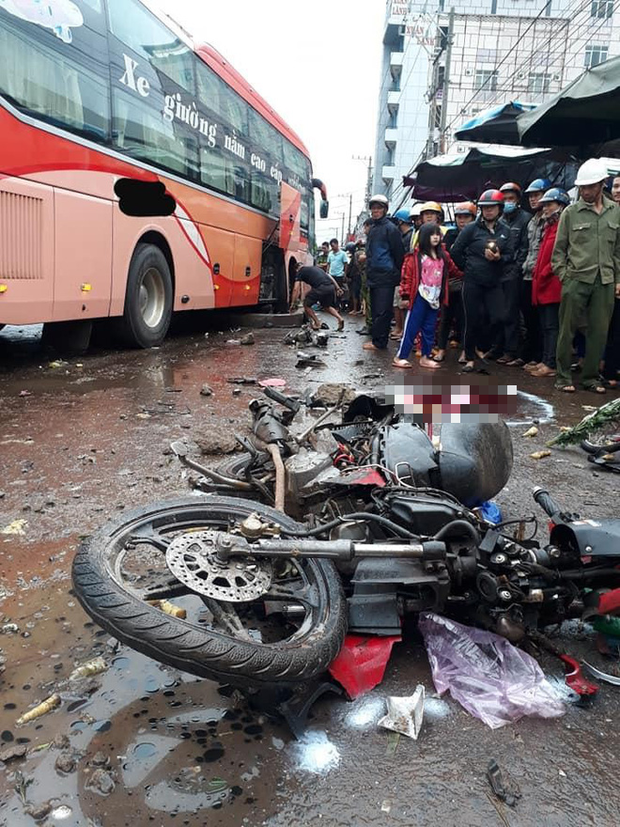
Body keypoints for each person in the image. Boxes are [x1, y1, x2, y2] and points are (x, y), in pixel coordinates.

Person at [552, 158, 620, 394]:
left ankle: (590, 378)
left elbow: (618, 251)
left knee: (599, 331)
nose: (585, 191)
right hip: (576, 279)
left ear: (603, 184)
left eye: (590, 186)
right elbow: (558, 251)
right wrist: (565, 277)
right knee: (567, 330)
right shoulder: (570, 213)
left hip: (605, 281)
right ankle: (562, 377)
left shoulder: (616, 212)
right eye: (582, 187)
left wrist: (617, 279)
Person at [449, 189, 513, 373]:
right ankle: (469, 357)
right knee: (472, 319)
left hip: (494, 282)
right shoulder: (471, 229)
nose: (488, 211)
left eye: (492, 208)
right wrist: (467, 268)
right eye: (485, 208)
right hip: (472, 281)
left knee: (499, 317)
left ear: (499, 209)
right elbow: (455, 251)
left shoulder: (505, 231)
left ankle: (482, 347)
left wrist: (499, 258)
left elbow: (511, 255)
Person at [394, 223, 461, 369]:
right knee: (411, 327)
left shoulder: (444, 256)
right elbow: (406, 276)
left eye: (438, 234)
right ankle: (401, 356)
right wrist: (405, 296)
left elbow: (454, 270)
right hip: (418, 296)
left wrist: (467, 275)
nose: (436, 237)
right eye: (432, 234)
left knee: (430, 329)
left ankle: (425, 356)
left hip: (435, 297)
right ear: (424, 237)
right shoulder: (415, 257)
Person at [530, 188, 571, 377]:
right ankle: (545, 360)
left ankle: (551, 363)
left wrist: (546, 272)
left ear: (560, 206)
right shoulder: (548, 226)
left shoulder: (564, 225)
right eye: (544, 204)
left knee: (552, 325)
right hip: (543, 283)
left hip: (554, 284)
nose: (545, 208)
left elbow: (561, 255)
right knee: (546, 325)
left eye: (549, 204)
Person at [492, 182, 532, 366]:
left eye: (511, 199)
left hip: (514, 273)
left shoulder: (525, 219)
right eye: (504, 199)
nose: (508, 202)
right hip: (497, 272)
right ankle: (497, 347)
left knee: (511, 314)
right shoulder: (499, 221)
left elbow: (525, 247)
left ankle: (511, 350)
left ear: (517, 200)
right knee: (497, 312)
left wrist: (516, 269)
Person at [363, 194, 405, 351]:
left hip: (386, 276)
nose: (375, 211)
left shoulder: (391, 229)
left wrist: (395, 273)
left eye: (379, 208)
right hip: (373, 276)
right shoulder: (373, 228)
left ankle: (380, 342)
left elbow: (398, 253)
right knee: (375, 310)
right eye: (373, 208)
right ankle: (377, 339)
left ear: (385, 210)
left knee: (382, 311)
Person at [435, 201, 476, 362]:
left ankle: (466, 351)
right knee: (446, 317)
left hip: (471, 280)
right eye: (459, 217)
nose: (462, 220)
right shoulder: (450, 235)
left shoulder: (477, 234)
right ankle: (441, 349)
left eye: (466, 217)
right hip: (451, 281)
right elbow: (444, 255)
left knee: (466, 318)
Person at [521, 178, 551, 371]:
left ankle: (542, 357)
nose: (533, 199)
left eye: (537, 195)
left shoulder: (551, 220)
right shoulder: (532, 221)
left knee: (545, 321)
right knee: (529, 317)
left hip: (544, 275)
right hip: (527, 273)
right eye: (531, 196)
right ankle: (532, 355)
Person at [290, 262, 344, 331]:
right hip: (330, 287)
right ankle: (340, 318)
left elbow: (295, 289)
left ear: (296, 269)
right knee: (326, 306)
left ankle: (317, 323)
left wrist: (293, 303)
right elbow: (330, 277)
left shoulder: (300, 271)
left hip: (321, 287)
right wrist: (338, 288)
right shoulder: (316, 268)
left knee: (306, 304)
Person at [603, 175, 620, 387]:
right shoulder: (606, 211)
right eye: (615, 186)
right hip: (606, 277)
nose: (617, 190)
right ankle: (610, 371)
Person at [391, 208, 415, 339]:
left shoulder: (410, 237)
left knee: (402, 304)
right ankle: (399, 329)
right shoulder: (403, 237)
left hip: (405, 275)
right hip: (399, 275)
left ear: (400, 222)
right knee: (397, 304)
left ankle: (403, 331)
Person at [345, 241, 361, 315]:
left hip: (355, 277)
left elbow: (353, 267)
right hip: (355, 276)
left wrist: (348, 275)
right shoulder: (355, 255)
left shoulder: (355, 255)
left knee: (355, 294)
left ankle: (355, 309)